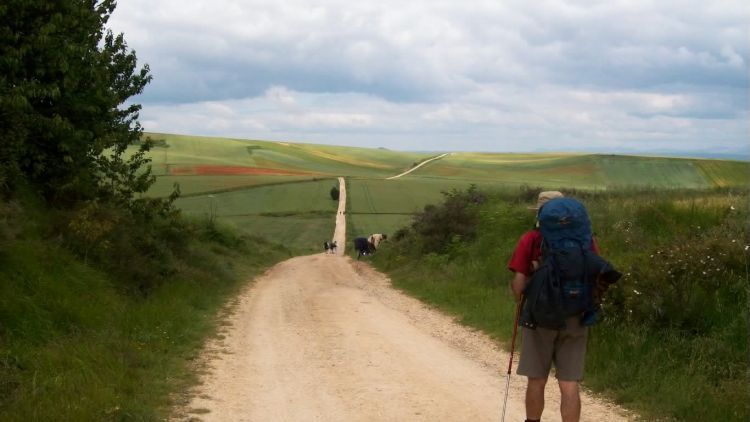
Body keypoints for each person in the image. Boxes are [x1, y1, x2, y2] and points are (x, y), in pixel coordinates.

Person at [507, 191, 599, 422]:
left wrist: (523, 295)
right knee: (569, 383)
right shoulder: (586, 240)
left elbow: (518, 287)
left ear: (540, 213)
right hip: (576, 316)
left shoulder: (530, 239)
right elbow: (595, 277)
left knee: (537, 380)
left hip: (540, 317)